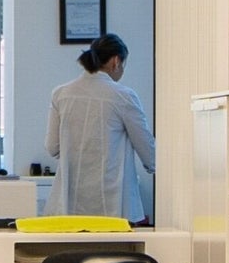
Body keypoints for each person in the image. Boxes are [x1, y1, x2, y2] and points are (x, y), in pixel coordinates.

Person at [43, 33, 156, 225]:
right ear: (115, 61)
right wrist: (155, 166)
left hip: (69, 206)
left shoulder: (61, 94)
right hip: (112, 205)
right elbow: (147, 149)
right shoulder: (123, 96)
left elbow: (52, 147)